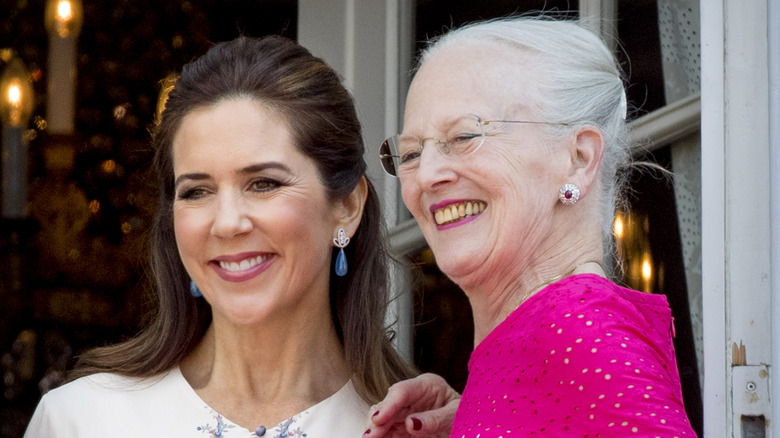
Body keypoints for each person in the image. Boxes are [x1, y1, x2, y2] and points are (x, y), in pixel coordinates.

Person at [24, 35, 416, 437]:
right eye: (197, 191)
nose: (227, 223)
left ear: (347, 206)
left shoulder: (415, 428)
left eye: (263, 183)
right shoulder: (80, 421)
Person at [367, 17, 697, 437]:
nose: (427, 175)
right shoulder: (544, 342)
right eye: (411, 153)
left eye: (465, 136)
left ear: (578, 158)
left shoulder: (578, 333)